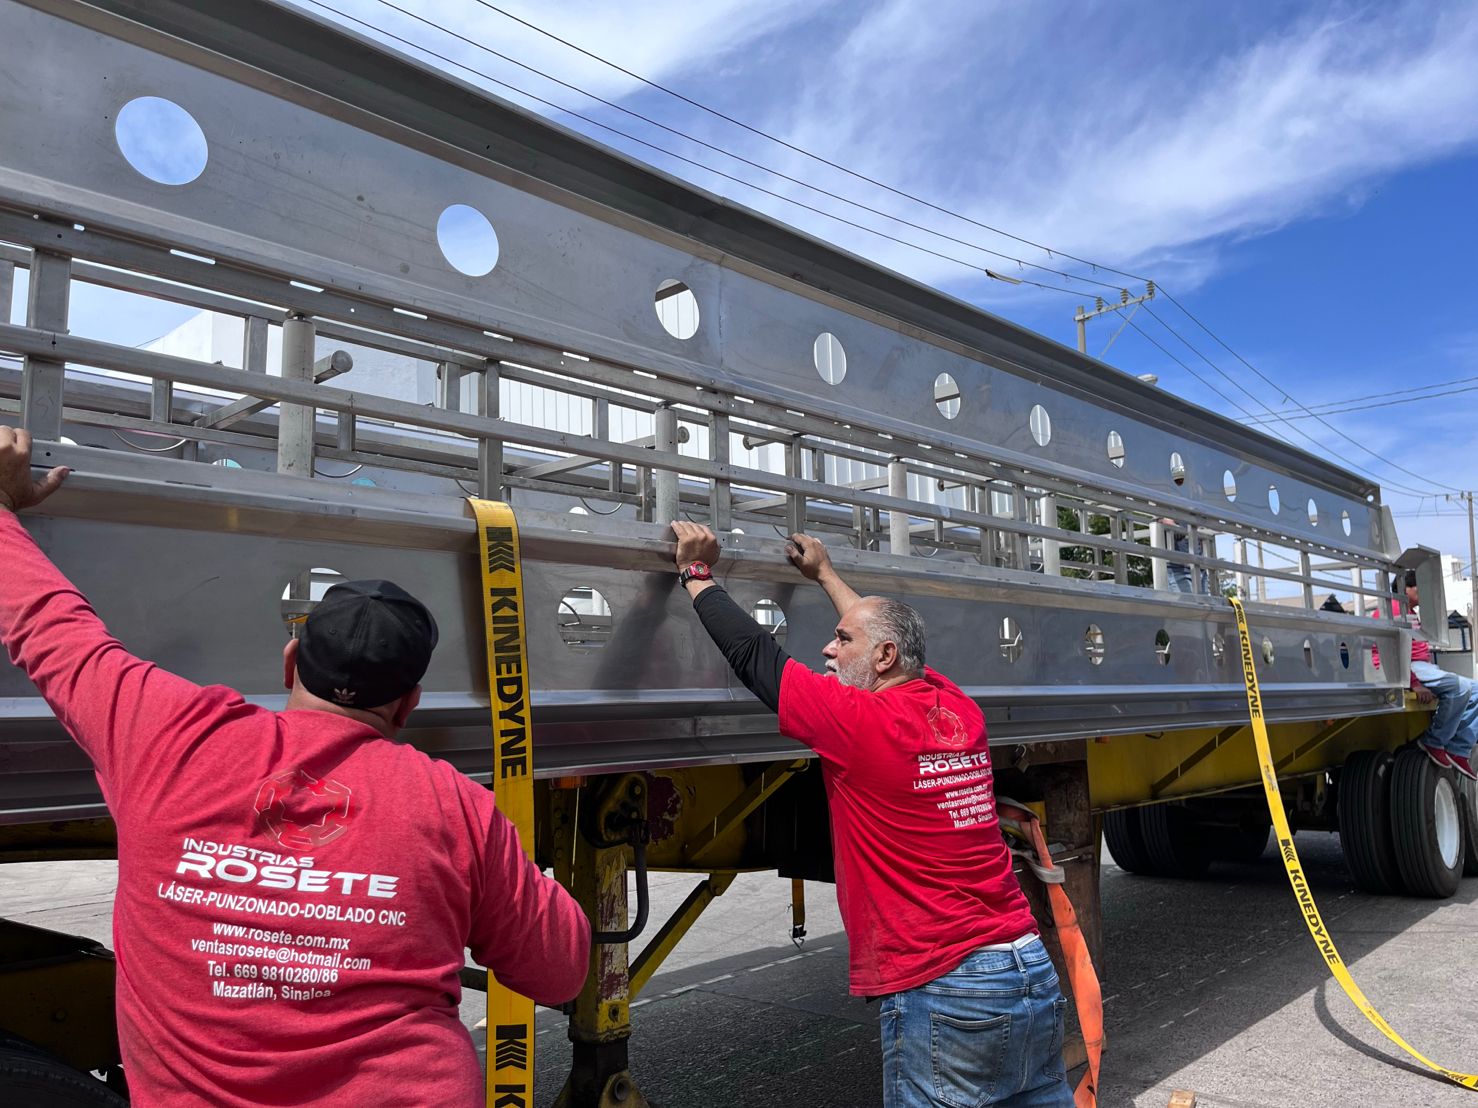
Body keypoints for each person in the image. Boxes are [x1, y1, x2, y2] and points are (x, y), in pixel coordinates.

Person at [0, 426, 590, 1105]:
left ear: (289, 662)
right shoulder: (453, 808)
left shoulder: (168, 735)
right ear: (408, 705)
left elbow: (52, 628)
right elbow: (560, 969)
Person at [670, 519, 1070, 1108]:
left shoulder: (856, 724)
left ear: (883, 657)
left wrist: (696, 572)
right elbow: (883, 632)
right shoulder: (956, 708)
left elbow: (755, 655)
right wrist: (825, 573)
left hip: (948, 984)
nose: (827, 649)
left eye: (841, 641)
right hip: (1025, 967)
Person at [1374, 570, 1478, 779]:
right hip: (1409, 667)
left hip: (1422, 667)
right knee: (1462, 688)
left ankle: (1458, 748)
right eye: (1419, 587)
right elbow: (1391, 652)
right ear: (1406, 589)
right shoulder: (1392, 610)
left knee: (1475, 689)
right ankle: (1435, 740)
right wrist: (1415, 683)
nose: (1423, 592)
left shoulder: (1409, 611)